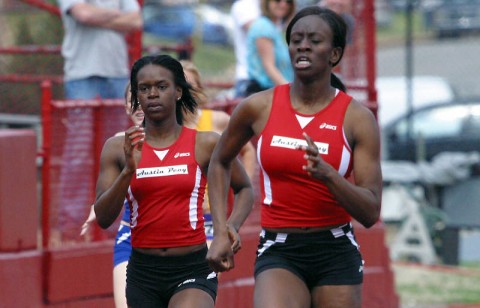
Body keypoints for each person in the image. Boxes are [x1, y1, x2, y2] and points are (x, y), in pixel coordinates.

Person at [206, 6, 382, 308]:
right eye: (296, 39)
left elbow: (370, 211)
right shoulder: (257, 107)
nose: (303, 45)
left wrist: (329, 176)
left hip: (335, 248)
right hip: (280, 248)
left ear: (335, 54)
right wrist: (223, 228)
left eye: (314, 40)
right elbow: (219, 161)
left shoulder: (357, 118)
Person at [93, 54, 254, 307]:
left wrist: (228, 228)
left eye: (161, 86)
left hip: (193, 267)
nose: (152, 94)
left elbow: (244, 188)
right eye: (144, 89)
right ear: (136, 96)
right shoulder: (117, 148)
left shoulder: (205, 143)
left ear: (178, 91)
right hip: (142, 272)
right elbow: (103, 218)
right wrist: (127, 172)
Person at [56, 0, 142, 241]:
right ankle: (73, 225)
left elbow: (135, 20)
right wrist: (116, 17)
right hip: (82, 75)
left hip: (117, 76)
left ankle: (114, 222)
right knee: (80, 152)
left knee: (119, 150)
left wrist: (97, 15)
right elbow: (82, 14)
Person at [80, 82, 143, 308]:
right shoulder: (117, 144)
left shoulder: (181, 139)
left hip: (175, 240)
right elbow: (106, 191)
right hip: (131, 234)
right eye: (131, 101)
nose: (138, 106)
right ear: (125, 107)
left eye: (142, 98)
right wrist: (94, 210)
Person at [180, 60, 257, 243]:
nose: (184, 90)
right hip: (174, 220)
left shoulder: (216, 120)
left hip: (207, 216)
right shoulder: (163, 128)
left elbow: (248, 151)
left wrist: (244, 187)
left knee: (207, 270)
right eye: (178, 83)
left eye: (189, 84)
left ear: (198, 88)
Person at [244, 0, 296, 96]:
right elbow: (269, 67)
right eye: (277, 0)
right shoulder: (263, 27)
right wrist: (292, 92)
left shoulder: (274, 28)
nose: (283, 4)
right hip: (264, 93)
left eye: (288, 1)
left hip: (274, 92)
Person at [231, 0, 261, 98]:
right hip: (249, 77)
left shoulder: (269, 6)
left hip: (267, 78)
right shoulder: (244, 5)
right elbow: (260, 34)